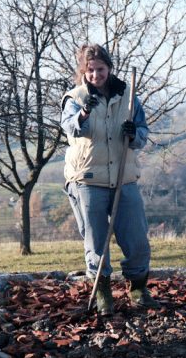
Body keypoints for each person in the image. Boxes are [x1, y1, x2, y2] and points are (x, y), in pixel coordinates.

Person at [60, 44, 159, 317]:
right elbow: (69, 127)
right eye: (90, 70)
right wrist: (84, 114)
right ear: (83, 70)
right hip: (87, 179)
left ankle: (138, 288)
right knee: (96, 240)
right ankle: (103, 292)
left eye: (100, 69)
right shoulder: (75, 97)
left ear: (109, 68)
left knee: (136, 237)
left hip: (123, 177)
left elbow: (142, 132)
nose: (95, 75)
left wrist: (134, 133)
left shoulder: (128, 96)